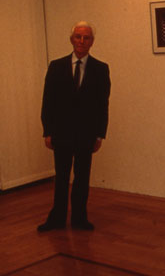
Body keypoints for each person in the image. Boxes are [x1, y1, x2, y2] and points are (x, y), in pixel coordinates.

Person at [37, 21, 111, 232]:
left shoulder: (101, 69)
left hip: (86, 134)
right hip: (61, 132)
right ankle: (57, 218)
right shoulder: (56, 67)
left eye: (86, 38)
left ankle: (79, 218)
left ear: (92, 42)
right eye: (78, 37)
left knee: (82, 178)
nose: (81, 41)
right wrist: (47, 130)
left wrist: (99, 135)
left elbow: (102, 104)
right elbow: (48, 101)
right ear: (72, 39)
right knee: (61, 178)